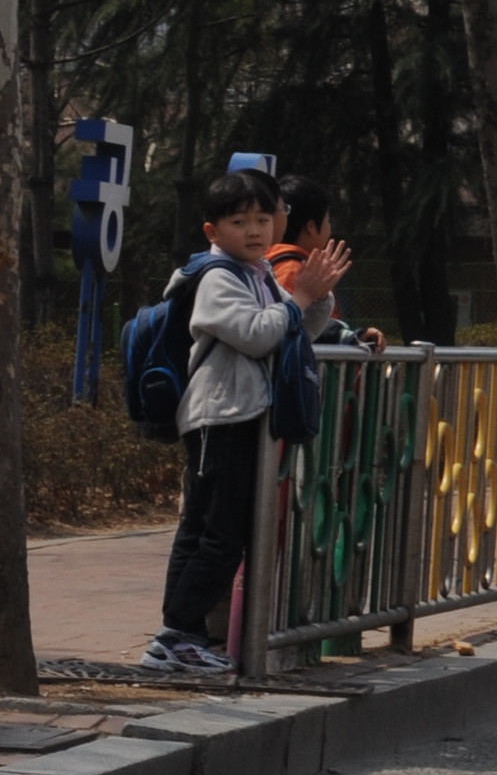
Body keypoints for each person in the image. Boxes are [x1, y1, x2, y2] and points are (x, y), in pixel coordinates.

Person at [146, 168, 344, 674]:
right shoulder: (218, 277)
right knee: (220, 534)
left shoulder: (253, 272)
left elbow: (293, 330)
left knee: (202, 532)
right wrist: (299, 299)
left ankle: (177, 635)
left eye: (263, 218)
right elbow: (257, 335)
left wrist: (315, 296)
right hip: (221, 416)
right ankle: (179, 634)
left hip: (236, 415)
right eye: (239, 221)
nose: (255, 230)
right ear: (213, 231)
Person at [269, 178, 384, 351]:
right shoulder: (294, 270)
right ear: (310, 227)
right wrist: (346, 337)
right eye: (327, 220)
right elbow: (291, 327)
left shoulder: (269, 263)